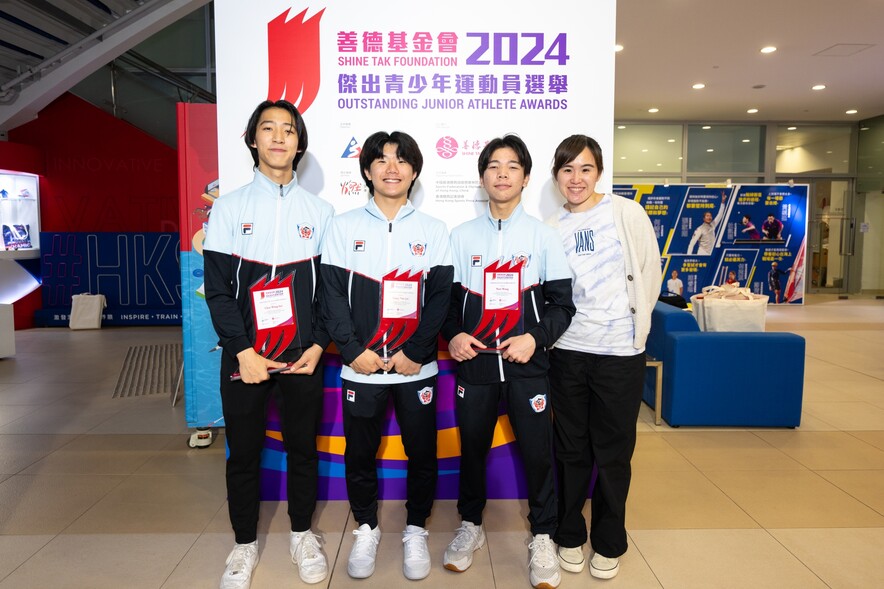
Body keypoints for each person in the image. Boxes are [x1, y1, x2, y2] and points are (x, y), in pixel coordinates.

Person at [204, 99, 333, 589]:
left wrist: (317, 346)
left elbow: (330, 293)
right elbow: (218, 290)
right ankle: (243, 544)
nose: (279, 137)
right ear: (253, 139)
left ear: (299, 143)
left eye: (288, 130)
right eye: (268, 128)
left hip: (302, 358)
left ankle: (302, 535)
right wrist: (242, 351)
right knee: (242, 454)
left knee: (303, 449)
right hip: (246, 358)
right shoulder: (229, 208)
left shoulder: (320, 213)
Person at [441, 134, 575, 589]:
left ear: (526, 177)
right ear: (482, 177)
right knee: (472, 450)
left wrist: (534, 339)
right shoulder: (461, 237)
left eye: (512, 166)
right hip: (476, 368)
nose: (502, 174)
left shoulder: (543, 236)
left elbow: (562, 306)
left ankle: (543, 535)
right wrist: (454, 335)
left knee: (538, 454)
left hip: (527, 367)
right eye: (494, 166)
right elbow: (444, 305)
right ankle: (470, 525)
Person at [320, 131, 453, 581]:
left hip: (416, 369)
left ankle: (415, 528)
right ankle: (366, 527)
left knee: (422, 453)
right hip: (362, 369)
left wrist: (416, 352)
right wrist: (352, 351)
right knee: (359, 454)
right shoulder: (343, 227)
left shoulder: (433, 230)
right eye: (381, 159)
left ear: (414, 172)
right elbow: (331, 296)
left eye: (401, 160)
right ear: (367, 170)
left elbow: (440, 299)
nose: (391, 168)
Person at [543, 135, 661, 581]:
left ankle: (609, 541)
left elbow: (649, 273)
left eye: (585, 169)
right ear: (556, 176)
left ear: (599, 172)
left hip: (619, 354)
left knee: (614, 452)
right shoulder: (550, 227)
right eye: (567, 169)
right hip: (569, 351)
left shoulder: (625, 213)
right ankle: (570, 534)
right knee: (571, 449)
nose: (576, 178)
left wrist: (634, 328)